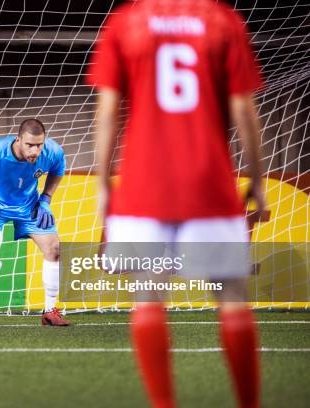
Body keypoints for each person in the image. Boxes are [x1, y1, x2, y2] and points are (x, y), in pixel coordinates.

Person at [86, 1, 264, 407]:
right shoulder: (221, 19)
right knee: (232, 295)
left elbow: (108, 112)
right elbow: (243, 109)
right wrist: (255, 180)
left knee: (149, 292)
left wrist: (103, 184)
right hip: (210, 181)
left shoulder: (127, 21)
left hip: (143, 182)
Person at [0, 118, 70, 327]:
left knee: (54, 248)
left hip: (29, 206)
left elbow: (58, 170)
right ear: (18, 140)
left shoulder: (52, 152)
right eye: (30, 145)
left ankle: (50, 311)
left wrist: (46, 199)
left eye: (39, 145)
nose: (35, 151)